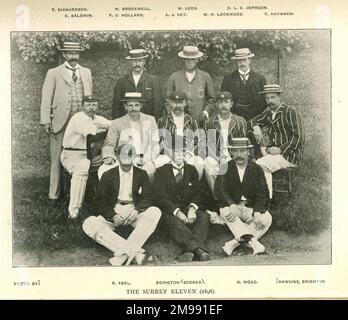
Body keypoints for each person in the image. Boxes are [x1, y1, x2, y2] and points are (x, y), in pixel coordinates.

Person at [82, 144, 161, 266]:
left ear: (134, 156)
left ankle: (123, 255)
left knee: (155, 211)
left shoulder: (142, 174)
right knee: (89, 223)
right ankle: (135, 253)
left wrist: (137, 211)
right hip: (114, 212)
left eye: (130, 154)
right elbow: (99, 202)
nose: (126, 157)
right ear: (117, 156)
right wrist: (112, 215)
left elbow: (148, 197)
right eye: (123, 154)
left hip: (133, 212)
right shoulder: (108, 175)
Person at [40, 41, 93, 202]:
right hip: (60, 121)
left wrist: (90, 118)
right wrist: (46, 121)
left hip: (80, 122)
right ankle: (54, 195)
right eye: (70, 53)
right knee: (56, 158)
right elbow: (46, 98)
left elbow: (89, 97)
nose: (73, 57)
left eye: (76, 53)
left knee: (80, 155)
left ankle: (76, 193)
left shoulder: (86, 72)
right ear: (64, 54)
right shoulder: (54, 73)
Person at [154, 136, 211, 262]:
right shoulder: (161, 172)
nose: (180, 155)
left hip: (187, 208)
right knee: (174, 222)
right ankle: (199, 250)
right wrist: (177, 212)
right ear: (169, 153)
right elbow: (160, 198)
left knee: (204, 217)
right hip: (170, 211)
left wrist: (192, 208)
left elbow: (200, 193)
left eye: (183, 151)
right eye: (176, 152)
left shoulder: (192, 170)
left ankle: (188, 252)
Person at [214, 138, 272, 256]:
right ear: (231, 152)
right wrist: (231, 203)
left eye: (242, 151)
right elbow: (219, 190)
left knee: (267, 218)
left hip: (250, 209)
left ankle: (233, 244)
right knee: (225, 210)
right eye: (236, 151)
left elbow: (263, 193)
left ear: (248, 152)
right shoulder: (225, 167)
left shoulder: (257, 169)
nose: (239, 155)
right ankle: (254, 244)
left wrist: (257, 211)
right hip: (233, 207)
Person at [248, 84, 305, 199]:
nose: (270, 101)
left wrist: (280, 149)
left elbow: (299, 138)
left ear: (280, 97)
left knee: (259, 165)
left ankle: (266, 200)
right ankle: (264, 195)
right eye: (267, 98)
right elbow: (250, 122)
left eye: (273, 97)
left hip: (290, 155)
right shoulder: (269, 112)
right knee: (253, 162)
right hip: (273, 151)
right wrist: (256, 127)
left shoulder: (291, 112)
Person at [60, 96, 111, 219]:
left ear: (97, 106)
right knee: (82, 167)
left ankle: (110, 204)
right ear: (82, 106)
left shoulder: (97, 118)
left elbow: (115, 125)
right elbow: (90, 131)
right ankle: (74, 211)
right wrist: (103, 125)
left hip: (92, 156)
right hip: (72, 154)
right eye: (88, 105)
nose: (91, 108)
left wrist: (103, 124)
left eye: (94, 105)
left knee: (113, 162)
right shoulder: (78, 117)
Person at [100, 92, 159, 182]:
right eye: (130, 106)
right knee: (103, 170)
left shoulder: (150, 120)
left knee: (146, 172)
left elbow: (154, 143)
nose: (133, 109)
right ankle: (112, 195)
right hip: (123, 159)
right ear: (125, 106)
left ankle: (143, 195)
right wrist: (108, 156)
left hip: (144, 158)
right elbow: (109, 144)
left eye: (136, 105)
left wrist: (146, 159)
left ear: (141, 105)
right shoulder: (117, 123)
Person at [203, 91, 247, 193]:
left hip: (234, 155)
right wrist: (218, 157)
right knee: (208, 163)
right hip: (216, 156)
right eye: (220, 102)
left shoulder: (239, 121)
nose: (223, 105)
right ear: (216, 104)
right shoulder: (209, 123)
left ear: (231, 104)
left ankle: (236, 198)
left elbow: (243, 144)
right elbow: (207, 144)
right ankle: (218, 198)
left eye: (226, 102)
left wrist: (231, 157)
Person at [155, 91, 205, 178]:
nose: (178, 106)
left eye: (180, 103)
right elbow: (160, 142)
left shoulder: (191, 120)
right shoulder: (163, 121)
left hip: (188, 154)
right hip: (169, 154)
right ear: (170, 103)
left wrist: (189, 154)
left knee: (199, 162)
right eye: (175, 103)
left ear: (185, 103)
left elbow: (198, 141)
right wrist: (172, 155)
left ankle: (193, 188)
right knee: (159, 162)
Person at [165, 46, 216, 126]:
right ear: (183, 60)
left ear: (197, 60)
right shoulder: (174, 77)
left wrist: (205, 113)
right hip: (178, 121)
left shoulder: (205, 77)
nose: (189, 62)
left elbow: (212, 99)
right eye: (187, 59)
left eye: (192, 59)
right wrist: (170, 114)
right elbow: (167, 99)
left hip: (199, 121)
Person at [112, 49, 164, 120]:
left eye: (140, 61)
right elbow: (116, 107)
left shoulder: (153, 80)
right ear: (130, 62)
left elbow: (158, 106)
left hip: (147, 123)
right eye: (134, 61)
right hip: (127, 123)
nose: (137, 64)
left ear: (144, 62)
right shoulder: (122, 82)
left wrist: (152, 123)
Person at [220, 48, 267, 121]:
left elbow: (265, 100)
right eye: (239, 60)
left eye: (244, 60)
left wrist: (257, 116)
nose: (242, 63)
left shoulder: (260, 79)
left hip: (255, 118)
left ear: (249, 61)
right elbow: (223, 100)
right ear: (236, 62)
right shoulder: (228, 79)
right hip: (234, 118)